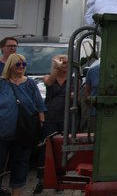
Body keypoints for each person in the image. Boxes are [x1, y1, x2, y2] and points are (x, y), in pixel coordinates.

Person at [0, 54, 46, 196]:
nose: (21, 67)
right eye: (18, 64)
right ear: (10, 65)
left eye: (23, 64)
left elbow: (39, 105)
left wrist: (41, 124)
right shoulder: (2, 83)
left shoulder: (30, 84)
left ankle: (16, 193)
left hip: (25, 132)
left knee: (21, 163)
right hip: (3, 131)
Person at [34, 54, 68, 193]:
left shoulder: (72, 80)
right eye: (63, 62)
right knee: (46, 148)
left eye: (67, 62)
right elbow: (48, 83)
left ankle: (60, 181)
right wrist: (56, 68)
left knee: (62, 148)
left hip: (65, 118)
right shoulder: (49, 77)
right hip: (50, 118)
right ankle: (41, 180)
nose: (66, 65)